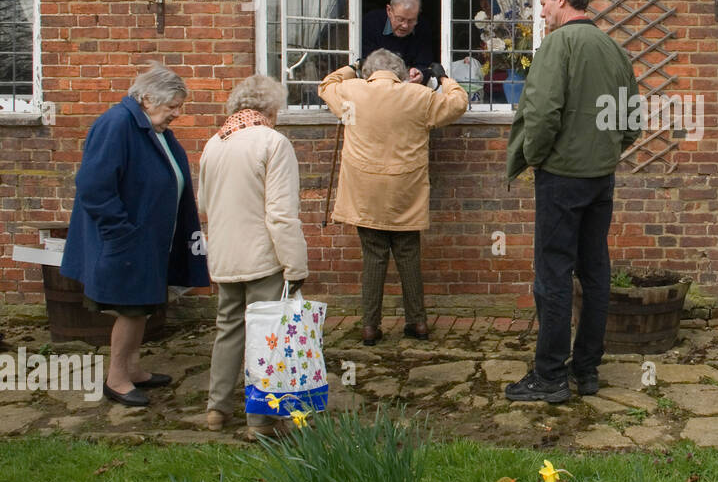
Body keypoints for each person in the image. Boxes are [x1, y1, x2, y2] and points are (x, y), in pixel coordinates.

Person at [504, 0, 640, 403]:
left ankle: (549, 376)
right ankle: (587, 370)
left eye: (543, 4)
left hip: (561, 178)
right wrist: (604, 150)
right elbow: (631, 123)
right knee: (595, 271)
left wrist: (537, 157)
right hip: (601, 177)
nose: (541, 14)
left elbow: (542, 114)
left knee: (554, 275)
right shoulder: (615, 50)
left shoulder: (558, 46)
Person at [61, 62, 210, 406]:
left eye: (179, 106)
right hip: (127, 240)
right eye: (172, 106)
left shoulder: (150, 128)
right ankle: (116, 379)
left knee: (142, 306)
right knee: (130, 309)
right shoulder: (117, 124)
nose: (178, 113)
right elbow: (93, 186)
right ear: (146, 98)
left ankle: (133, 368)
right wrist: (121, 233)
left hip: (147, 241)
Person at [318, 48, 467, 345]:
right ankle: (419, 323)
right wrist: (443, 77)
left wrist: (352, 66)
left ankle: (370, 327)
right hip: (404, 191)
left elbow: (326, 85)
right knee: (408, 255)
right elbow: (458, 103)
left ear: (368, 73)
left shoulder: (350, 91)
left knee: (373, 258)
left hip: (365, 191)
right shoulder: (418, 97)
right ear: (400, 74)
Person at [198, 75, 309, 440]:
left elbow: (203, 204)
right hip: (264, 256)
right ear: (270, 109)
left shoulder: (214, 144)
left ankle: (217, 408)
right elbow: (280, 214)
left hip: (225, 255)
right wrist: (295, 265)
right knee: (267, 336)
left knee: (228, 330)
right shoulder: (273, 143)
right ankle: (259, 421)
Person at [361, 0, 436, 85]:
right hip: (375, 84)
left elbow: (425, 64)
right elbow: (365, 63)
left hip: (409, 86)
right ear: (389, 11)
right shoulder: (370, 23)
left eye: (411, 21)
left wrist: (420, 74)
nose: (405, 25)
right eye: (400, 19)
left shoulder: (423, 27)